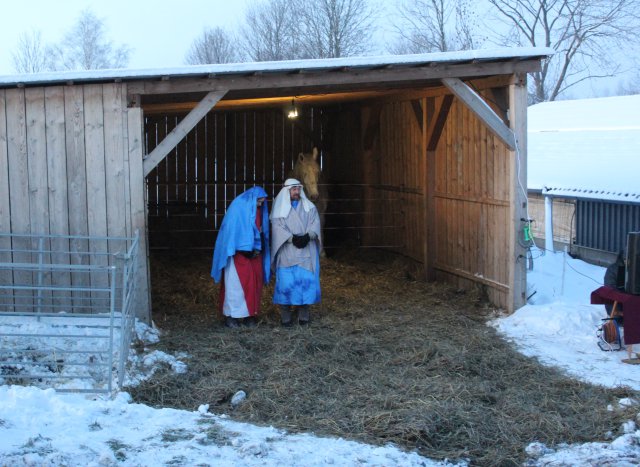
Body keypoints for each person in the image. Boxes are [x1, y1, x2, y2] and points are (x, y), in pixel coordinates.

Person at [211, 187, 271, 328]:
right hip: (237, 256)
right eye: (259, 199)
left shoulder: (259, 210)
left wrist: (259, 244)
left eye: (263, 200)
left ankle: (250, 315)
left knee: (254, 285)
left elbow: (261, 230)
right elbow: (231, 232)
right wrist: (242, 248)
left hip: (255, 255)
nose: (262, 202)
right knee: (235, 286)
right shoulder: (238, 208)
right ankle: (231, 316)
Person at [270, 178, 322, 326]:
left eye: (298, 189)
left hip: (306, 255)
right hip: (287, 254)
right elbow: (277, 227)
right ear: (287, 191)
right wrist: (291, 239)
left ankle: (304, 316)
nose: (297, 192)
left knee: (305, 285)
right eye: (294, 189)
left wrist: (308, 236)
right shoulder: (279, 209)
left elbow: (315, 223)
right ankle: (285, 317)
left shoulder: (309, 207)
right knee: (286, 285)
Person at [603, 249, 626, 319]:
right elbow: (610, 288)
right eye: (626, 259)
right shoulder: (613, 269)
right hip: (616, 301)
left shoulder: (636, 269)